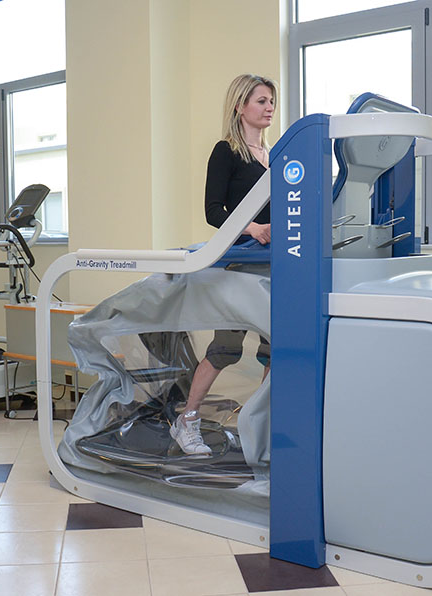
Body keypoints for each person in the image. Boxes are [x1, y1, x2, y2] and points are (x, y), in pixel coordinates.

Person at [170, 73, 277, 456]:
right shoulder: (226, 151)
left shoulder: (277, 156)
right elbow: (214, 211)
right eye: (261, 101)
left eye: (271, 102)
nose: (269, 108)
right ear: (240, 106)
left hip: (273, 265)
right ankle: (187, 421)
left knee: (274, 349)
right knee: (226, 348)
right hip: (241, 264)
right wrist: (254, 228)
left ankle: (263, 426)